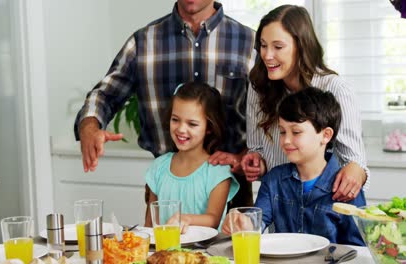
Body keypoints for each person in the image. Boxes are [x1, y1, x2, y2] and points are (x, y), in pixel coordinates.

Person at [74, 0, 256, 208]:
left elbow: (273, 112)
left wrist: (246, 156)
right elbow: (105, 94)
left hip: (232, 191)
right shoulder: (143, 42)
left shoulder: (249, 42)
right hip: (165, 189)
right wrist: (89, 126)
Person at [242, 4, 369, 202]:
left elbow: (355, 162)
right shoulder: (258, 86)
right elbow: (256, 148)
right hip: (281, 206)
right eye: (263, 45)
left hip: (324, 209)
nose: (267, 55)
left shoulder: (336, 90)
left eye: (278, 47)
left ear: (301, 46)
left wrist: (356, 171)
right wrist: (257, 162)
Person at [224, 87, 366, 246]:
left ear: (325, 135)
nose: (286, 141)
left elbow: (358, 249)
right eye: (283, 132)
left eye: (296, 132)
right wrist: (242, 222)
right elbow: (258, 222)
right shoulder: (274, 180)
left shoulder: (348, 187)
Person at [143, 82, 239, 232]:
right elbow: (149, 224)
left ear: (209, 128)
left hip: (206, 254)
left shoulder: (218, 171)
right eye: (175, 120)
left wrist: (186, 218)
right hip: (162, 253)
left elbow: (213, 219)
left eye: (192, 124)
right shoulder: (158, 166)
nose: (181, 129)